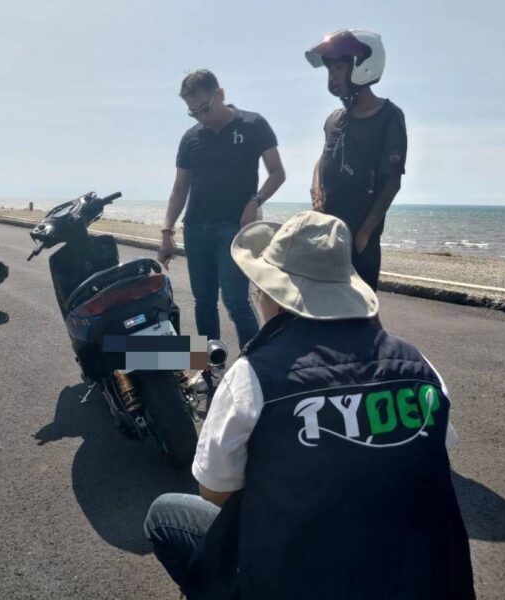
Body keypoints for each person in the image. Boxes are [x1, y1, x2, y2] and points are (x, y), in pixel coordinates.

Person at [145, 211, 475, 599]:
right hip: (425, 581)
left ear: (277, 298)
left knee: (164, 515)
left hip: (300, 580)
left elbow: (214, 490)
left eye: (260, 289)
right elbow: (436, 453)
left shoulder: (254, 375)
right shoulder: (419, 367)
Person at [157, 69, 286, 350]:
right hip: (195, 229)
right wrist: (167, 230)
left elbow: (277, 173)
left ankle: (256, 367)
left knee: (236, 300)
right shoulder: (191, 138)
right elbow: (180, 189)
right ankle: (208, 368)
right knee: (203, 301)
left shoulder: (254, 124)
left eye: (205, 108)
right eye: (193, 112)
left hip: (233, 229)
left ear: (221, 94)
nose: (201, 117)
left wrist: (255, 201)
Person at [307, 29, 407, 291]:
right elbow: (323, 157)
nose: (333, 76)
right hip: (327, 234)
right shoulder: (333, 119)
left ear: (363, 65)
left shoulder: (388, 116)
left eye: (339, 67)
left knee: (360, 315)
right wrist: (315, 186)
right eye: (330, 70)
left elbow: (392, 181)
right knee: (324, 312)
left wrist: (365, 232)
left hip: (360, 240)